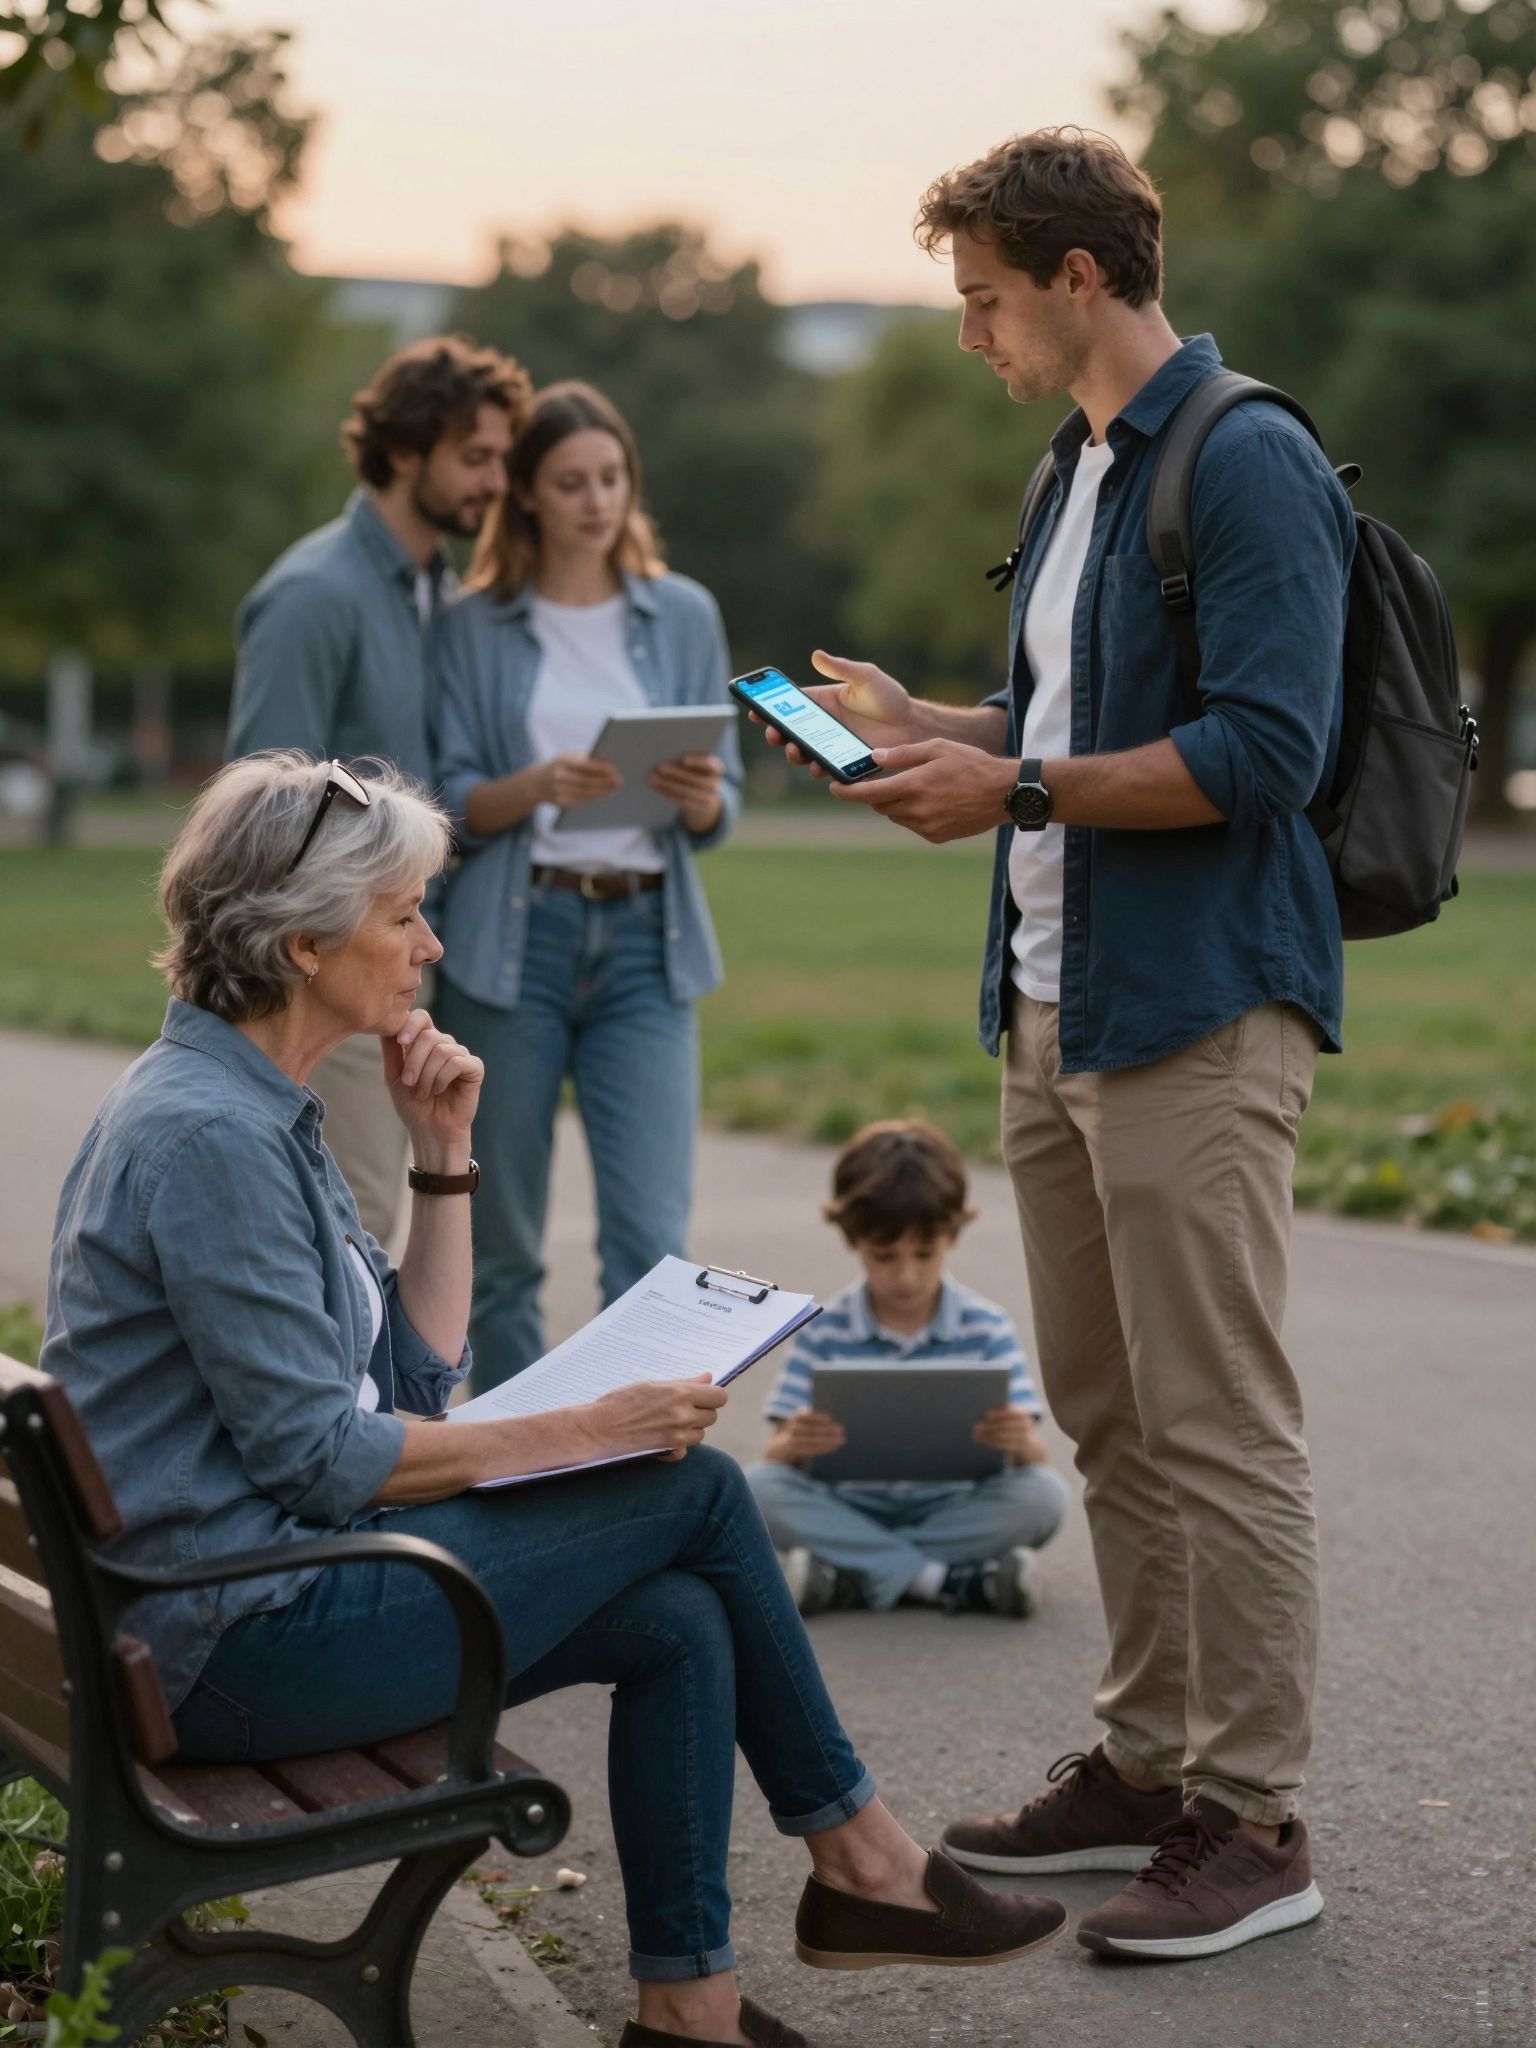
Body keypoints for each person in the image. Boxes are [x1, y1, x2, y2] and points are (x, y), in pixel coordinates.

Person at [40, 752, 1068, 2048]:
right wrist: (593, 1428)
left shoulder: (246, 1109)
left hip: (234, 1604)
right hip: (232, 1646)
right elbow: (320, 1457)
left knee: (682, 1616)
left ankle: (688, 2010)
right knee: (692, 1485)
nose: (432, 943)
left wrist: (445, 1165)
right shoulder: (213, 1139)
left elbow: (410, 1385)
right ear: (303, 942)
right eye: (406, 912)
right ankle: (866, 1864)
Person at [754, 127, 1353, 1962]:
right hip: (1051, 998)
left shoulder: (1243, 460)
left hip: (1190, 1005)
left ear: (1080, 277)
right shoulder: (1080, 466)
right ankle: (1149, 1767)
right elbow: (1067, 716)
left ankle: (1255, 1818)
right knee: (1108, 1412)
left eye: (986, 297)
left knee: (1217, 1422)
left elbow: (1267, 749)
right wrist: (915, 719)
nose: (969, 333)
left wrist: (1006, 776)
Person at [432, 381, 742, 1388]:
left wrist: (698, 798)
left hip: (649, 945)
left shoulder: (682, 611)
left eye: (611, 478)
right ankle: (518, 1468)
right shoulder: (470, 625)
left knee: (653, 1246)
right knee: (503, 1244)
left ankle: (630, 1473)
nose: (596, 500)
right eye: (570, 482)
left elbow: (722, 805)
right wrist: (534, 787)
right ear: (526, 494)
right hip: (512, 948)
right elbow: (437, 803)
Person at [226, 335, 529, 1245]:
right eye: (475, 458)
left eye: (502, 461)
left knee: (390, 1227)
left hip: (408, 959)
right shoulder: (315, 595)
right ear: (405, 452)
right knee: (343, 1230)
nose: (494, 483)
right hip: (325, 980)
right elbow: (260, 816)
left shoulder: (432, 586)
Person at [747, 1120, 1065, 1619]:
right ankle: (946, 1580)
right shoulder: (822, 1329)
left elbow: (1033, 1457)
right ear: (853, 1240)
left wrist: (1020, 1440)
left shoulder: (986, 1326)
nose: (906, 1275)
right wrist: (794, 1444)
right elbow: (777, 1455)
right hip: (850, 1506)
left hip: (951, 1508)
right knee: (757, 1489)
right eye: (885, 1255)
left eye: (924, 1253)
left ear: (953, 1236)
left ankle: (848, 1577)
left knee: (1044, 1496)